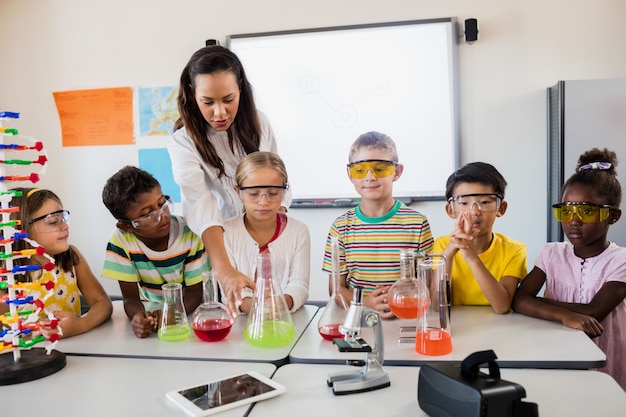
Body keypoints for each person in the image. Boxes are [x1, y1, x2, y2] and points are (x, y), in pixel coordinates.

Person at [168, 45, 289, 318]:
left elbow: (274, 181)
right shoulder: (182, 143)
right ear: (191, 93)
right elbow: (201, 203)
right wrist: (224, 269)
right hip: (220, 244)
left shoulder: (258, 123)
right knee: (235, 315)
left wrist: (272, 242)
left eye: (228, 99)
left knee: (273, 309)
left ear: (242, 90)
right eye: (208, 102)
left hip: (266, 233)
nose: (220, 112)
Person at [513, 148, 626, 391]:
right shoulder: (552, 253)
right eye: (566, 211)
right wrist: (566, 316)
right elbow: (519, 299)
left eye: (586, 211)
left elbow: (594, 312)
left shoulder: (620, 261)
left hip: (603, 352)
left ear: (613, 216)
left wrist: (542, 305)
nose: (573, 220)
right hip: (556, 348)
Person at [321, 131, 433, 319]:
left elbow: (426, 285)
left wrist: (399, 300)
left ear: (397, 172)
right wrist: (367, 303)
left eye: (380, 169)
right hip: (359, 319)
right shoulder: (340, 227)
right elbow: (336, 288)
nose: (370, 177)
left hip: (407, 317)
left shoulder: (417, 223)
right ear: (350, 174)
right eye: (360, 170)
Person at [101, 166, 207, 338]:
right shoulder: (120, 241)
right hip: (150, 312)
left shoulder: (189, 233)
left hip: (187, 314)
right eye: (147, 214)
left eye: (161, 203)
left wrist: (171, 314)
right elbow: (130, 299)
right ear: (126, 226)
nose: (162, 215)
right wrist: (138, 317)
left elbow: (195, 293)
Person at [0, 188, 112, 338]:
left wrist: (81, 325)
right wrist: (36, 334)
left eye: (63, 218)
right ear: (21, 230)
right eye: (53, 222)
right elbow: (7, 331)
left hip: (80, 350)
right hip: (34, 357)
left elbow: (102, 303)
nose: (65, 226)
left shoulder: (71, 257)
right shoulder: (6, 275)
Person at [432, 162, 526, 314]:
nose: (475, 211)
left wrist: (470, 255)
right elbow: (437, 305)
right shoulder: (442, 245)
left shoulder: (514, 250)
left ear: (501, 208)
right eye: (464, 203)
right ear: (450, 210)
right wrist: (447, 256)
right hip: (456, 328)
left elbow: (502, 306)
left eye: (485, 202)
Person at [223, 151, 310, 313]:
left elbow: (299, 286)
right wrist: (258, 308)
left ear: (285, 191)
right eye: (254, 194)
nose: (263, 202)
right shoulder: (226, 231)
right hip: (242, 324)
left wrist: (279, 304)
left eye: (273, 193)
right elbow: (229, 289)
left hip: (285, 321)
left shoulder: (299, 230)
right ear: (238, 192)